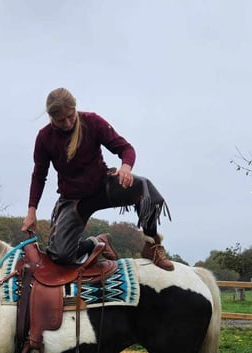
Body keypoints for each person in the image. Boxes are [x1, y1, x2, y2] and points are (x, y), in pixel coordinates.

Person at [21, 87, 174, 271]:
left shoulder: (92, 122)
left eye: (71, 116)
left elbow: (126, 148)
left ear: (75, 108)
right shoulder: (45, 138)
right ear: (51, 117)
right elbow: (39, 176)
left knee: (145, 188)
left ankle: (152, 245)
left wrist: (125, 167)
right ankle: (96, 243)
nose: (68, 123)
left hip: (103, 187)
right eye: (61, 120)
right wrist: (32, 211)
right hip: (73, 200)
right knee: (60, 255)